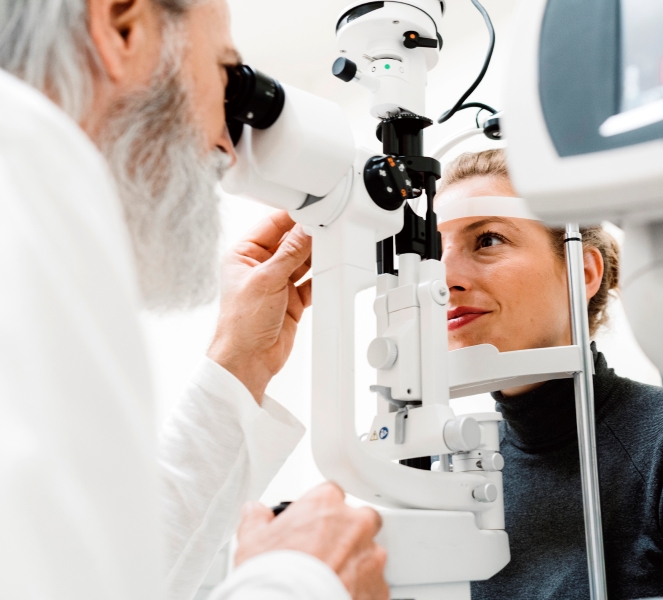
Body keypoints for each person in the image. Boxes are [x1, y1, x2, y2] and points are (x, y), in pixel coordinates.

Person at [0, 1, 387, 599]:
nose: (227, 150)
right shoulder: (28, 170)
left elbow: (108, 565)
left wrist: (240, 365)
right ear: (123, 26)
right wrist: (297, 582)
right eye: (226, 74)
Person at [436, 149, 663, 599]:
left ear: (581, 272)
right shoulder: (447, 471)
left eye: (487, 240)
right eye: (434, 252)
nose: (444, 278)